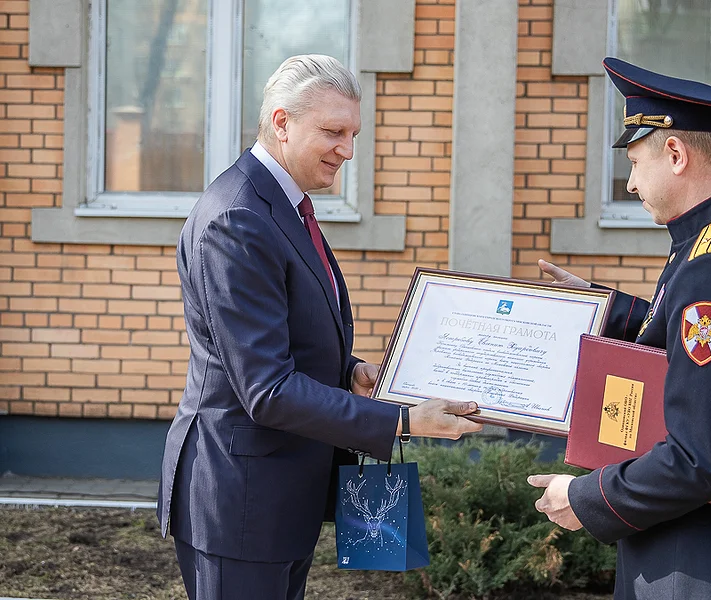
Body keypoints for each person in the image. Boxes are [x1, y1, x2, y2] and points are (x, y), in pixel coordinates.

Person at [157, 54, 481, 600]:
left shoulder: (283, 205)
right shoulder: (239, 217)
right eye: (333, 132)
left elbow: (289, 335)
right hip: (240, 503)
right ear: (281, 123)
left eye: (353, 133)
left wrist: (348, 370)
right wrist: (401, 419)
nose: (348, 150)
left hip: (278, 497)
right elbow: (267, 388)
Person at [528, 57, 711, 599]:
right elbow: (704, 348)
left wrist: (588, 497)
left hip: (702, 567)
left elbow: (699, 460)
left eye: (635, 162)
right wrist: (608, 311)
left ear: (677, 154)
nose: (633, 183)